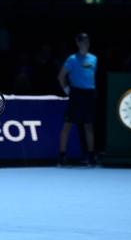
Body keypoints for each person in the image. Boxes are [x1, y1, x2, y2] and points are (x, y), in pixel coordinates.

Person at [57, 33, 97, 166]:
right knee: (67, 125)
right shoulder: (72, 59)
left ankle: (91, 157)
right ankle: (62, 156)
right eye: (83, 41)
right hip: (76, 94)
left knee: (89, 126)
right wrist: (67, 90)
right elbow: (61, 76)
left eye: (87, 41)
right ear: (78, 43)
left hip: (89, 94)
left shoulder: (94, 59)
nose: (86, 43)